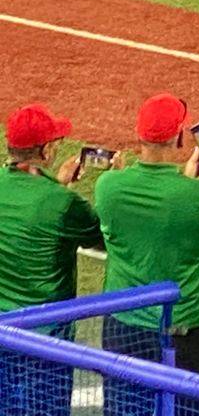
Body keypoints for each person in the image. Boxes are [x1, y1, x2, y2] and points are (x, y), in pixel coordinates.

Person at [95, 93, 199, 416]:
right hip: (183, 332)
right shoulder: (198, 195)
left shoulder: (108, 186)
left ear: (139, 135)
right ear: (179, 136)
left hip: (123, 327)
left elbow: (158, 205)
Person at [0, 104, 104, 416]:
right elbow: (100, 235)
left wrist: (57, 185)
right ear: (45, 151)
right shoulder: (61, 201)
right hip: (46, 337)